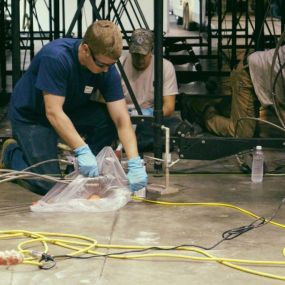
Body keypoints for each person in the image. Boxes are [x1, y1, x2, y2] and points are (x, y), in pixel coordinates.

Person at [0, 20, 147, 195]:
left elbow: (122, 119)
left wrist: (134, 161)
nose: (106, 71)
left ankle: (80, 172)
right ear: (85, 49)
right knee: (47, 184)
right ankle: (10, 153)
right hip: (33, 115)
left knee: (107, 120)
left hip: (70, 109)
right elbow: (53, 112)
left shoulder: (106, 68)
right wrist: (81, 149)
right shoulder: (56, 58)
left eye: (111, 65)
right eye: (101, 65)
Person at [187, 46, 285, 138]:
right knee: (242, 132)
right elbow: (280, 108)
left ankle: (201, 106)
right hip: (247, 75)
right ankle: (200, 111)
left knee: (230, 113)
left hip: (259, 75)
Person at [120, 28, 182, 151]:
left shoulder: (164, 67)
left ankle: (132, 141)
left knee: (176, 124)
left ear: (151, 51)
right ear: (130, 51)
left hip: (150, 118)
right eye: (136, 55)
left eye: (143, 55)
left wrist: (149, 117)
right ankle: (138, 141)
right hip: (123, 116)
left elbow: (169, 107)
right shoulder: (119, 64)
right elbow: (105, 101)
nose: (140, 59)